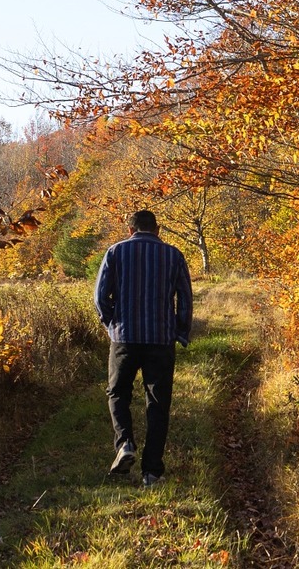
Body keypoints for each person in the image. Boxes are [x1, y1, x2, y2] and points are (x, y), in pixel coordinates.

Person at [93, 209, 193, 487]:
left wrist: (112, 323)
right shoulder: (174, 255)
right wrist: (180, 331)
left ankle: (125, 443)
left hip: (124, 337)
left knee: (117, 392)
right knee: (158, 403)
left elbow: (100, 297)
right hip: (160, 339)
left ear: (130, 229)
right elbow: (185, 298)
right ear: (157, 230)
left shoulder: (115, 252)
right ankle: (152, 472)